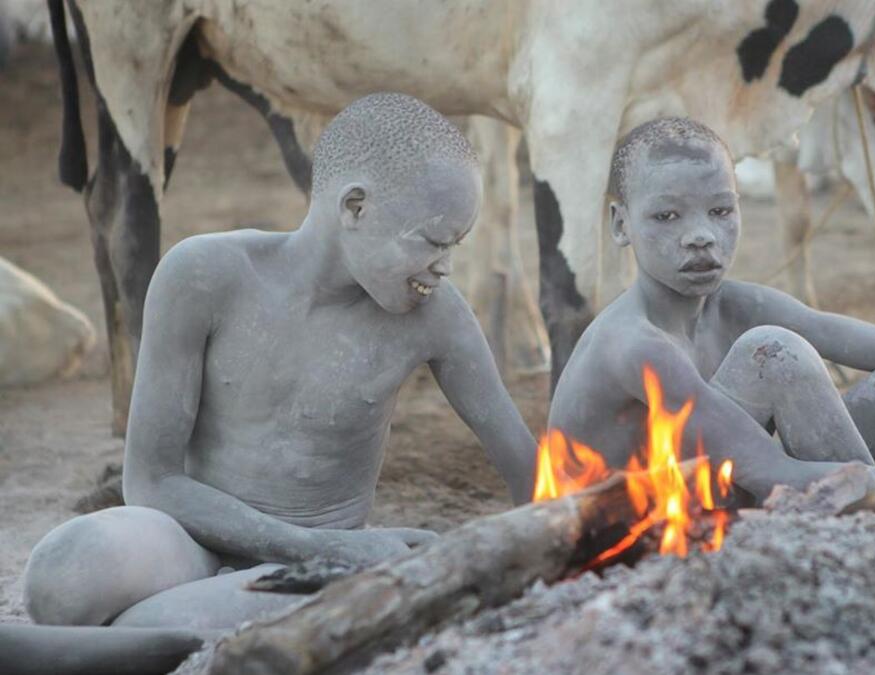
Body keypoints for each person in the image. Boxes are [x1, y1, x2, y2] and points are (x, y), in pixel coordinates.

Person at [20, 93, 537, 639]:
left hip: (316, 576)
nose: (448, 266)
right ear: (355, 207)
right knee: (62, 578)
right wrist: (319, 544)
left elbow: (527, 465)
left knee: (156, 628)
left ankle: (129, 644)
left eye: (457, 244)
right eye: (435, 241)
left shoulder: (435, 317)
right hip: (187, 538)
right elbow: (151, 480)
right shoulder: (204, 275)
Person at [548, 117, 875, 528]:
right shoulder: (635, 343)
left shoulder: (737, 305)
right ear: (621, 224)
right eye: (667, 217)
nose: (700, 236)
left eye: (720, 211)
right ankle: (874, 544)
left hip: (718, 501)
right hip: (639, 541)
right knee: (773, 353)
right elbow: (775, 476)